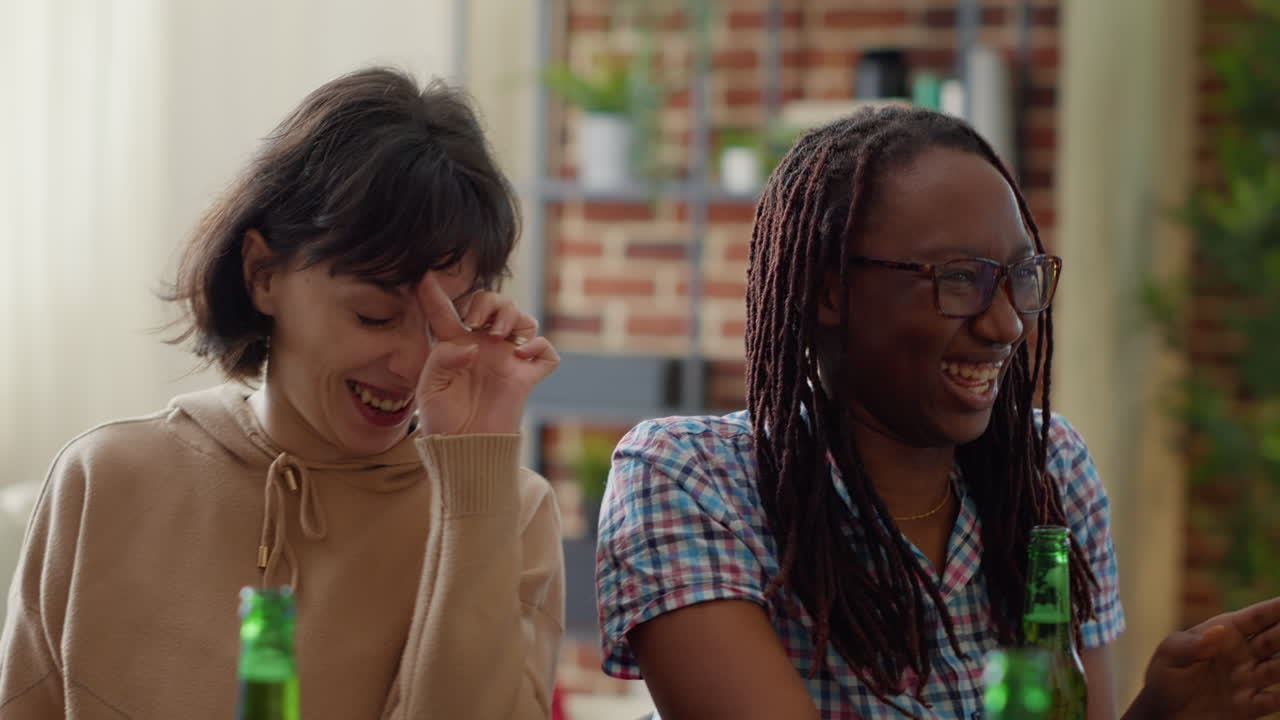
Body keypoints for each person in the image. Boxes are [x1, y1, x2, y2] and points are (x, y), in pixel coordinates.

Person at [595, 105, 1280, 719]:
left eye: (1020, 277)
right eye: (960, 279)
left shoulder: (1047, 474)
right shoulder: (692, 483)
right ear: (829, 289)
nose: (1008, 324)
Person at [0, 67, 564, 719]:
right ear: (263, 274)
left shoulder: (511, 515)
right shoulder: (105, 480)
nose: (413, 364)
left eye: (447, 320)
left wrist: (474, 477)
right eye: (374, 316)